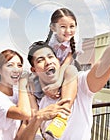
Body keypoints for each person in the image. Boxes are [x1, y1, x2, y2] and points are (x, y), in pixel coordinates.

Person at [19, 0, 110, 139]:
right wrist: (39, 118)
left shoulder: (79, 85)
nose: (48, 62)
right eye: (40, 60)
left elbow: (107, 60)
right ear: (34, 69)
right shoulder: (38, 99)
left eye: (51, 56)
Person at [29, 8, 81, 138]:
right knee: (28, 85)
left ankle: (61, 117)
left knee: (71, 70)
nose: (68, 31)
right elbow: (42, 67)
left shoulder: (74, 43)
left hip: (63, 72)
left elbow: (65, 65)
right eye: (63, 27)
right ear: (53, 27)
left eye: (72, 26)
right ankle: (35, 127)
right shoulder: (50, 45)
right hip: (48, 75)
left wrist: (57, 83)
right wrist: (45, 87)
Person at [0, 49, 31, 140]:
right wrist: (22, 85)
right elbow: (24, 113)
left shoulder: (18, 95)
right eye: (10, 65)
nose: (16, 69)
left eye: (19, 65)